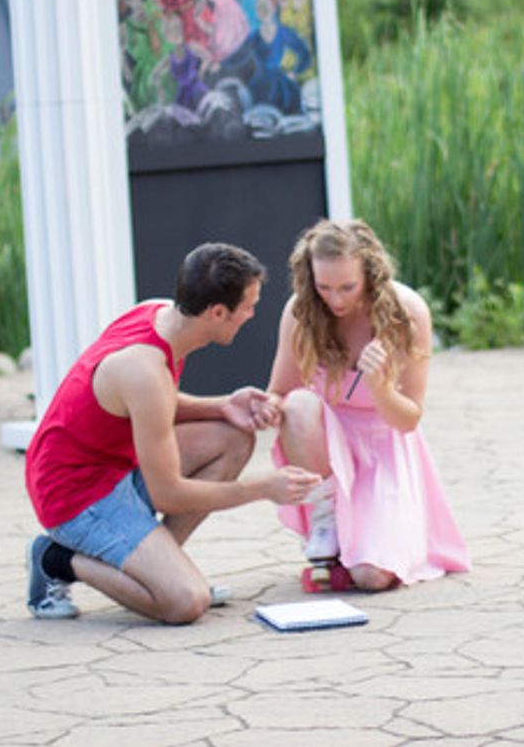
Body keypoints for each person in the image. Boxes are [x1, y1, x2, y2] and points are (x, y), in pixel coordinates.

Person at [24, 243, 321, 624]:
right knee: (185, 602)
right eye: (248, 307)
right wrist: (262, 488)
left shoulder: (159, 315)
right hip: (75, 495)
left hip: (114, 466)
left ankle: (158, 568)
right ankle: (56, 559)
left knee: (233, 437)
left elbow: (151, 405)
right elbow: (168, 493)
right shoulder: (143, 369)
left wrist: (223, 405)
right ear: (217, 312)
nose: (251, 315)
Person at [267, 219, 471, 591]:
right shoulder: (302, 311)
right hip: (325, 443)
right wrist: (258, 407)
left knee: (371, 577)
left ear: (371, 274)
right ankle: (326, 516)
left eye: (348, 287)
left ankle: (359, 546)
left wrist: (380, 387)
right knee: (297, 404)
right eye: (324, 287)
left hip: (384, 442)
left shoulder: (407, 312)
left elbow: (409, 419)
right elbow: (280, 392)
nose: (336, 300)